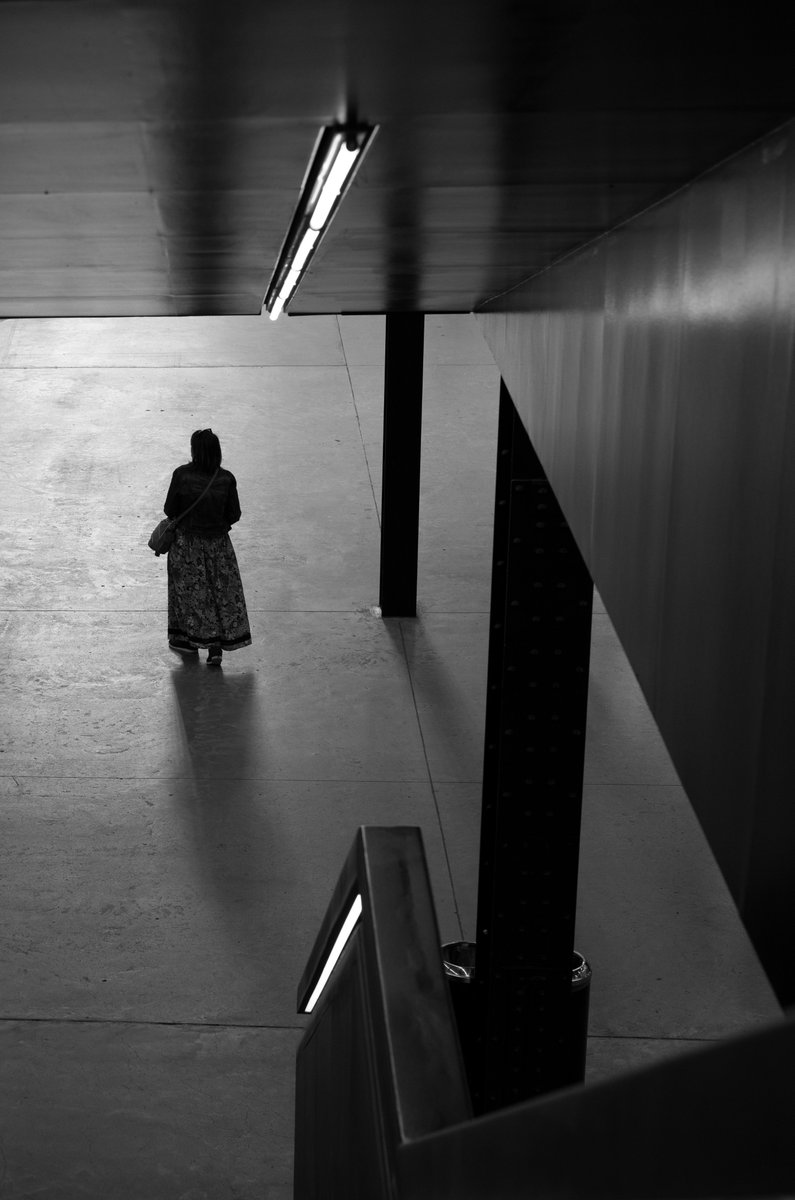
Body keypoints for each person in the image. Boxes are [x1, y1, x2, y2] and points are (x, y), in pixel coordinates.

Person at [162, 428, 252, 666]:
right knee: (220, 595)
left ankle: (188, 640)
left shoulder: (182, 475)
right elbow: (234, 514)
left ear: (195, 451)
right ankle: (215, 648)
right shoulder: (226, 479)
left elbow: (170, 509)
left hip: (186, 547)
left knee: (189, 595)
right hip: (218, 546)